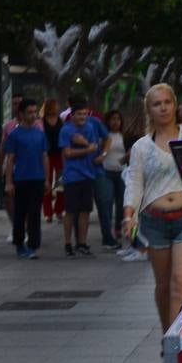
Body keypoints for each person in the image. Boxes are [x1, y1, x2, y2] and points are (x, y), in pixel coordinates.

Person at [122, 84, 182, 331]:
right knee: (164, 286)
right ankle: (167, 334)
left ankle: (176, 344)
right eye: (157, 104)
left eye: (167, 102)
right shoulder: (141, 147)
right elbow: (134, 181)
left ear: (175, 105)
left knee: (181, 281)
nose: (163, 107)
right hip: (154, 221)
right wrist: (128, 214)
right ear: (149, 109)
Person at [58, 95, 107, 257]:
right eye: (79, 114)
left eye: (85, 114)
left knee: (86, 210)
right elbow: (68, 153)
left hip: (88, 174)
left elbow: (94, 146)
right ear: (72, 115)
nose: (82, 117)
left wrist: (85, 144)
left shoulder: (90, 128)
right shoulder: (66, 130)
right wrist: (87, 148)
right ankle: (67, 243)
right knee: (71, 211)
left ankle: (82, 242)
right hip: (72, 175)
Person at [5, 98, 50, 259]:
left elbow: (45, 157)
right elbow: (10, 158)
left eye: (34, 112)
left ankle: (33, 245)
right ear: (22, 114)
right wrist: (9, 182)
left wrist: (46, 179)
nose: (33, 115)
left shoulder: (40, 134)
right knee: (20, 213)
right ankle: (19, 244)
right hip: (21, 179)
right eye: (29, 112)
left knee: (35, 213)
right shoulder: (14, 135)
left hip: (37, 178)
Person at [103, 110, 129, 239]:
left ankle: (118, 227)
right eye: (112, 119)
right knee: (107, 201)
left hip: (121, 173)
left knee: (121, 203)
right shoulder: (105, 136)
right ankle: (107, 229)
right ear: (108, 121)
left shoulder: (124, 136)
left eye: (118, 119)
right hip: (106, 172)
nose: (115, 122)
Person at [40, 99, 65, 223]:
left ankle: (59, 209)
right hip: (47, 155)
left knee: (61, 184)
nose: (56, 108)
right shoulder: (41, 122)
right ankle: (48, 213)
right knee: (47, 183)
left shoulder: (61, 120)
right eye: (54, 106)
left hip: (60, 155)